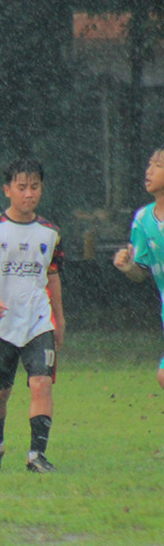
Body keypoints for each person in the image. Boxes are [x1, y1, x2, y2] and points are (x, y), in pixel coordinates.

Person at [0, 158, 65, 473]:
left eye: (34, 187)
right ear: (7, 190)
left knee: (41, 383)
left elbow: (52, 276)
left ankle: (37, 455)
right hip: (1, 325)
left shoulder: (50, 233)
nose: (28, 194)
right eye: (21, 187)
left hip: (38, 321)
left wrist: (59, 320)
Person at [114, 147, 164, 390]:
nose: (149, 170)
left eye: (159, 165)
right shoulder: (143, 219)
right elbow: (140, 273)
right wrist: (128, 266)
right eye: (150, 164)